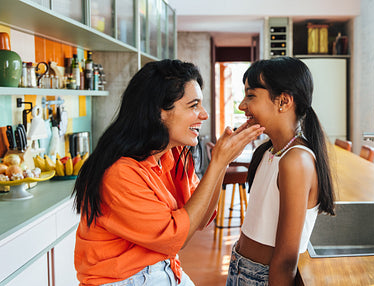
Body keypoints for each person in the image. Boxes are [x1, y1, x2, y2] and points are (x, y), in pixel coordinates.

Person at [72, 59, 264, 286]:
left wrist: (221, 163)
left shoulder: (170, 155)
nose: (204, 115)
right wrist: (218, 162)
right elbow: (175, 238)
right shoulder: (119, 173)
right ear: (158, 112)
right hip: (124, 279)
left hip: (162, 268)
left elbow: (200, 219)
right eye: (193, 105)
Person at [226, 57, 336, 286]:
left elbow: (286, 260)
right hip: (240, 267)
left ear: (283, 101)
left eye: (251, 95)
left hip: (261, 277)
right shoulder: (270, 151)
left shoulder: (295, 160)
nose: (242, 106)